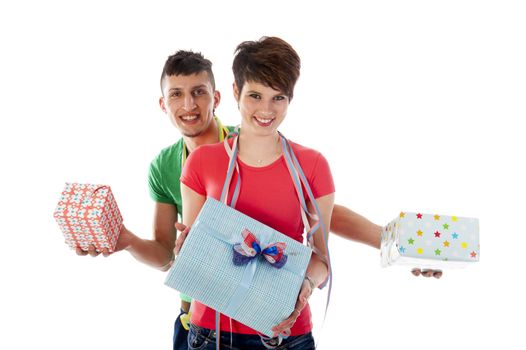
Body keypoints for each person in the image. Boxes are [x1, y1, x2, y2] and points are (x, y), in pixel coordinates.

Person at [76, 48, 441, 350]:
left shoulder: (272, 147)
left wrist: (395, 244)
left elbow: (317, 221)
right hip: (202, 321)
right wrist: (128, 241)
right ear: (162, 103)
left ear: (219, 97)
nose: (189, 104)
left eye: (199, 92)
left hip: (280, 330)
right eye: (176, 94)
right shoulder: (170, 166)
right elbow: (168, 252)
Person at [179, 36, 331, 349]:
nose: (266, 109)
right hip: (212, 334)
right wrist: (183, 247)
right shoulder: (202, 162)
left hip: (286, 334)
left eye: (278, 98)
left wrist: (306, 284)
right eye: (255, 95)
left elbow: (321, 260)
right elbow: (192, 252)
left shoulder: (312, 166)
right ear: (235, 92)